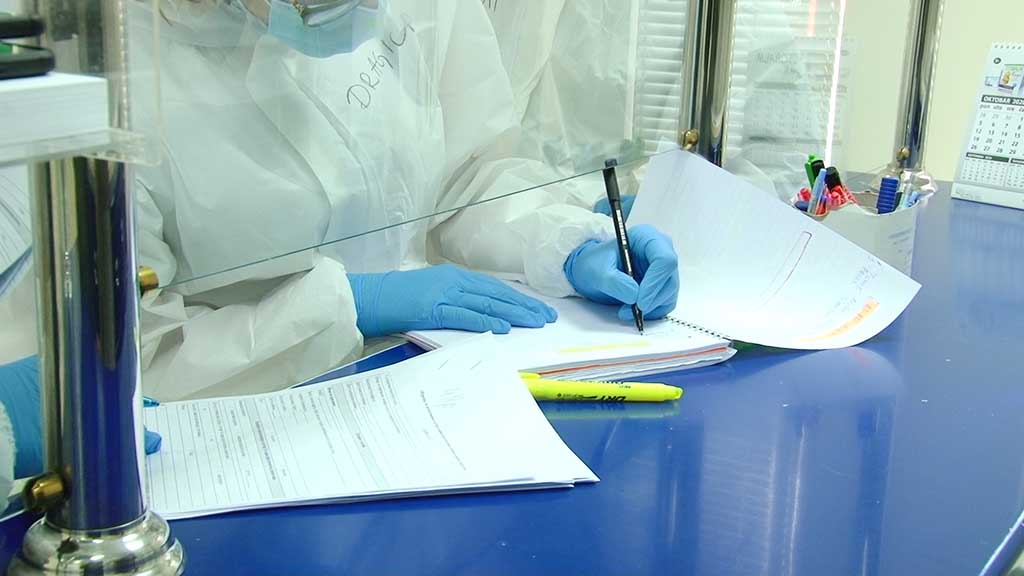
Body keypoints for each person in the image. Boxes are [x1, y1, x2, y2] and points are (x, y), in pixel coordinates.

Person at [130, 0, 680, 401]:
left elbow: (467, 178)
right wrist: (348, 306)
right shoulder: (122, 79)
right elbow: (139, 359)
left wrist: (567, 245)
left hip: (431, 383)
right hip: (251, 422)